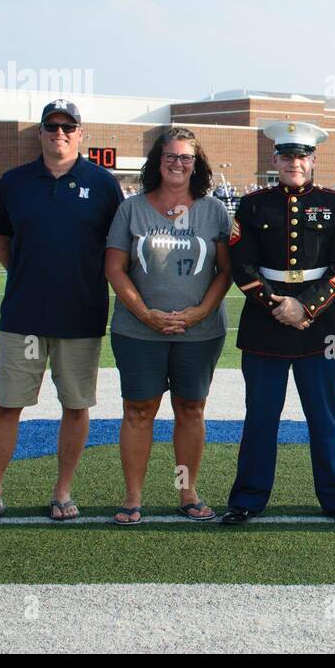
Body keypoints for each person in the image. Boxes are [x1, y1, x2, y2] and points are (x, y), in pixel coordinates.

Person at [0, 100, 123, 524]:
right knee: (8, 403)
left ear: (80, 133)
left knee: (75, 405)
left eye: (67, 127)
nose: (59, 134)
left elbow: (117, 248)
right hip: (24, 317)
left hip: (81, 316)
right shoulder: (15, 182)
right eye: (51, 127)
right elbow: (2, 243)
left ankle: (62, 490)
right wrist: (30, 277)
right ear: (39, 132)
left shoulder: (103, 184)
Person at [221, 121, 335, 524]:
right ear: (275, 159)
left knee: (325, 416)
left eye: (301, 156)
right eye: (287, 156)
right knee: (261, 416)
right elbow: (242, 265)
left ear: (313, 159)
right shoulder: (252, 205)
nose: (294, 163)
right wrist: (277, 305)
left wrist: (305, 307)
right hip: (265, 324)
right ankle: (247, 498)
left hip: (323, 327)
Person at [104, 127, 232, 525]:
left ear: (197, 164)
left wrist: (198, 312)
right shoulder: (132, 208)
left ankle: (186, 492)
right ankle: (133, 496)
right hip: (138, 329)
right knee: (139, 410)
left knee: (190, 409)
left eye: (186, 158)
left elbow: (226, 271)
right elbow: (114, 268)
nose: (178, 164)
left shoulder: (213, 211)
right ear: (157, 162)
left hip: (200, 331)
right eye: (171, 157)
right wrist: (145, 313)